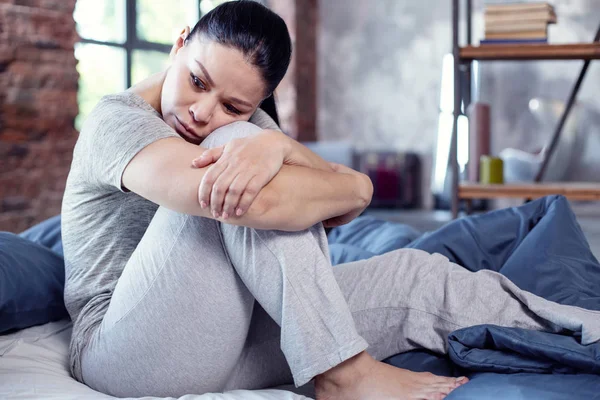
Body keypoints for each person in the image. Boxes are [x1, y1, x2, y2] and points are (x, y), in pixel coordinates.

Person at [61, 2, 600, 400]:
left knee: (418, 276)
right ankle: (342, 370)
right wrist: (286, 158)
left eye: (233, 104)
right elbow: (255, 202)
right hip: (123, 352)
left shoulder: (254, 129)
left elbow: (348, 197)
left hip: (225, 341)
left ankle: (583, 328)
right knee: (237, 159)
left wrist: (283, 148)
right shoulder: (117, 121)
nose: (203, 113)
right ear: (179, 43)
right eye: (196, 80)